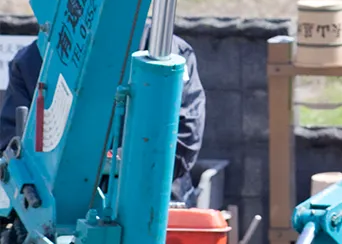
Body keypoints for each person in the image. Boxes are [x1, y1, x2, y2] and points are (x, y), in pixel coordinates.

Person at [0, 28, 206, 206]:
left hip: (156, 205)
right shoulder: (33, 60)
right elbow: (11, 145)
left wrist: (115, 165)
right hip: (54, 208)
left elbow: (183, 145)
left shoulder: (168, 51)